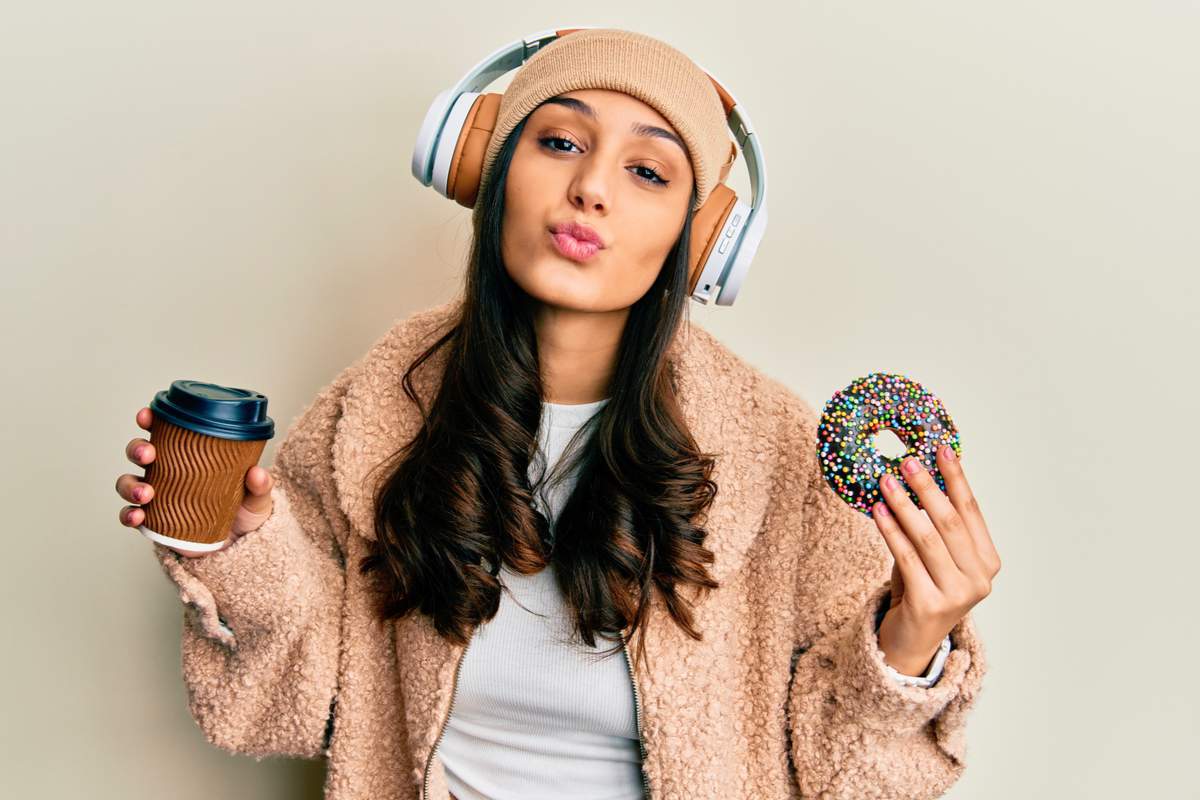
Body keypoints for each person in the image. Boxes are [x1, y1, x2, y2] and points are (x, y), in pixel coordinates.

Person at [115, 28, 998, 800]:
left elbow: (852, 781)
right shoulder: (380, 406)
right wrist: (245, 547)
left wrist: (913, 639)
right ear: (487, 171)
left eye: (647, 170)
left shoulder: (777, 455)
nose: (592, 190)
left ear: (696, 244)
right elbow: (287, 713)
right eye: (560, 142)